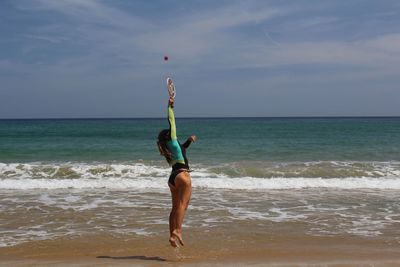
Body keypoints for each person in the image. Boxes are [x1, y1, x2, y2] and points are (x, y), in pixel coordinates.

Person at [157, 96, 196, 247]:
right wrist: (170, 106)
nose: (174, 133)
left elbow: (182, 149)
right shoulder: (172, 139)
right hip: (183, 175)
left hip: (173, 177)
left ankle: (172, 235)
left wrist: (189, 141)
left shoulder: (169, 147)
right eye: (172, 133)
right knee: (182, 206)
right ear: (170, 135)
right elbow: (171, 120)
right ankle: (178, 231)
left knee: (175, 208)